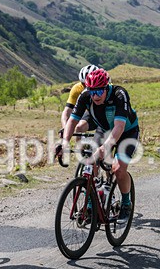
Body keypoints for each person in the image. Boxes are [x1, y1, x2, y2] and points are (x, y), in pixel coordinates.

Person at [55, 68, 140, 224]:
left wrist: (105, 148)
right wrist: (64, 143)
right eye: (92, 91)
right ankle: (90, 205)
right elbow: (72, 121)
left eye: (100, 91)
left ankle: (126, 204)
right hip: (104, 128)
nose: (95, 96)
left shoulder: (119, 94)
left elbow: (119, 127)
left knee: (118, 169)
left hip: (127, 131)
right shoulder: (85, 96)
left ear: (106, 86)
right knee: (90, 162)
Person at [60, 64, 100, 133]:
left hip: (108, 113)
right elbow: (67, 111)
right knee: (79, 127)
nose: (86, 87)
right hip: (91, 113)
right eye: (83, 84)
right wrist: (65, 128)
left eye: (90, 83)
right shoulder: (77, 88)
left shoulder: (106, 88)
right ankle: (79, 144)